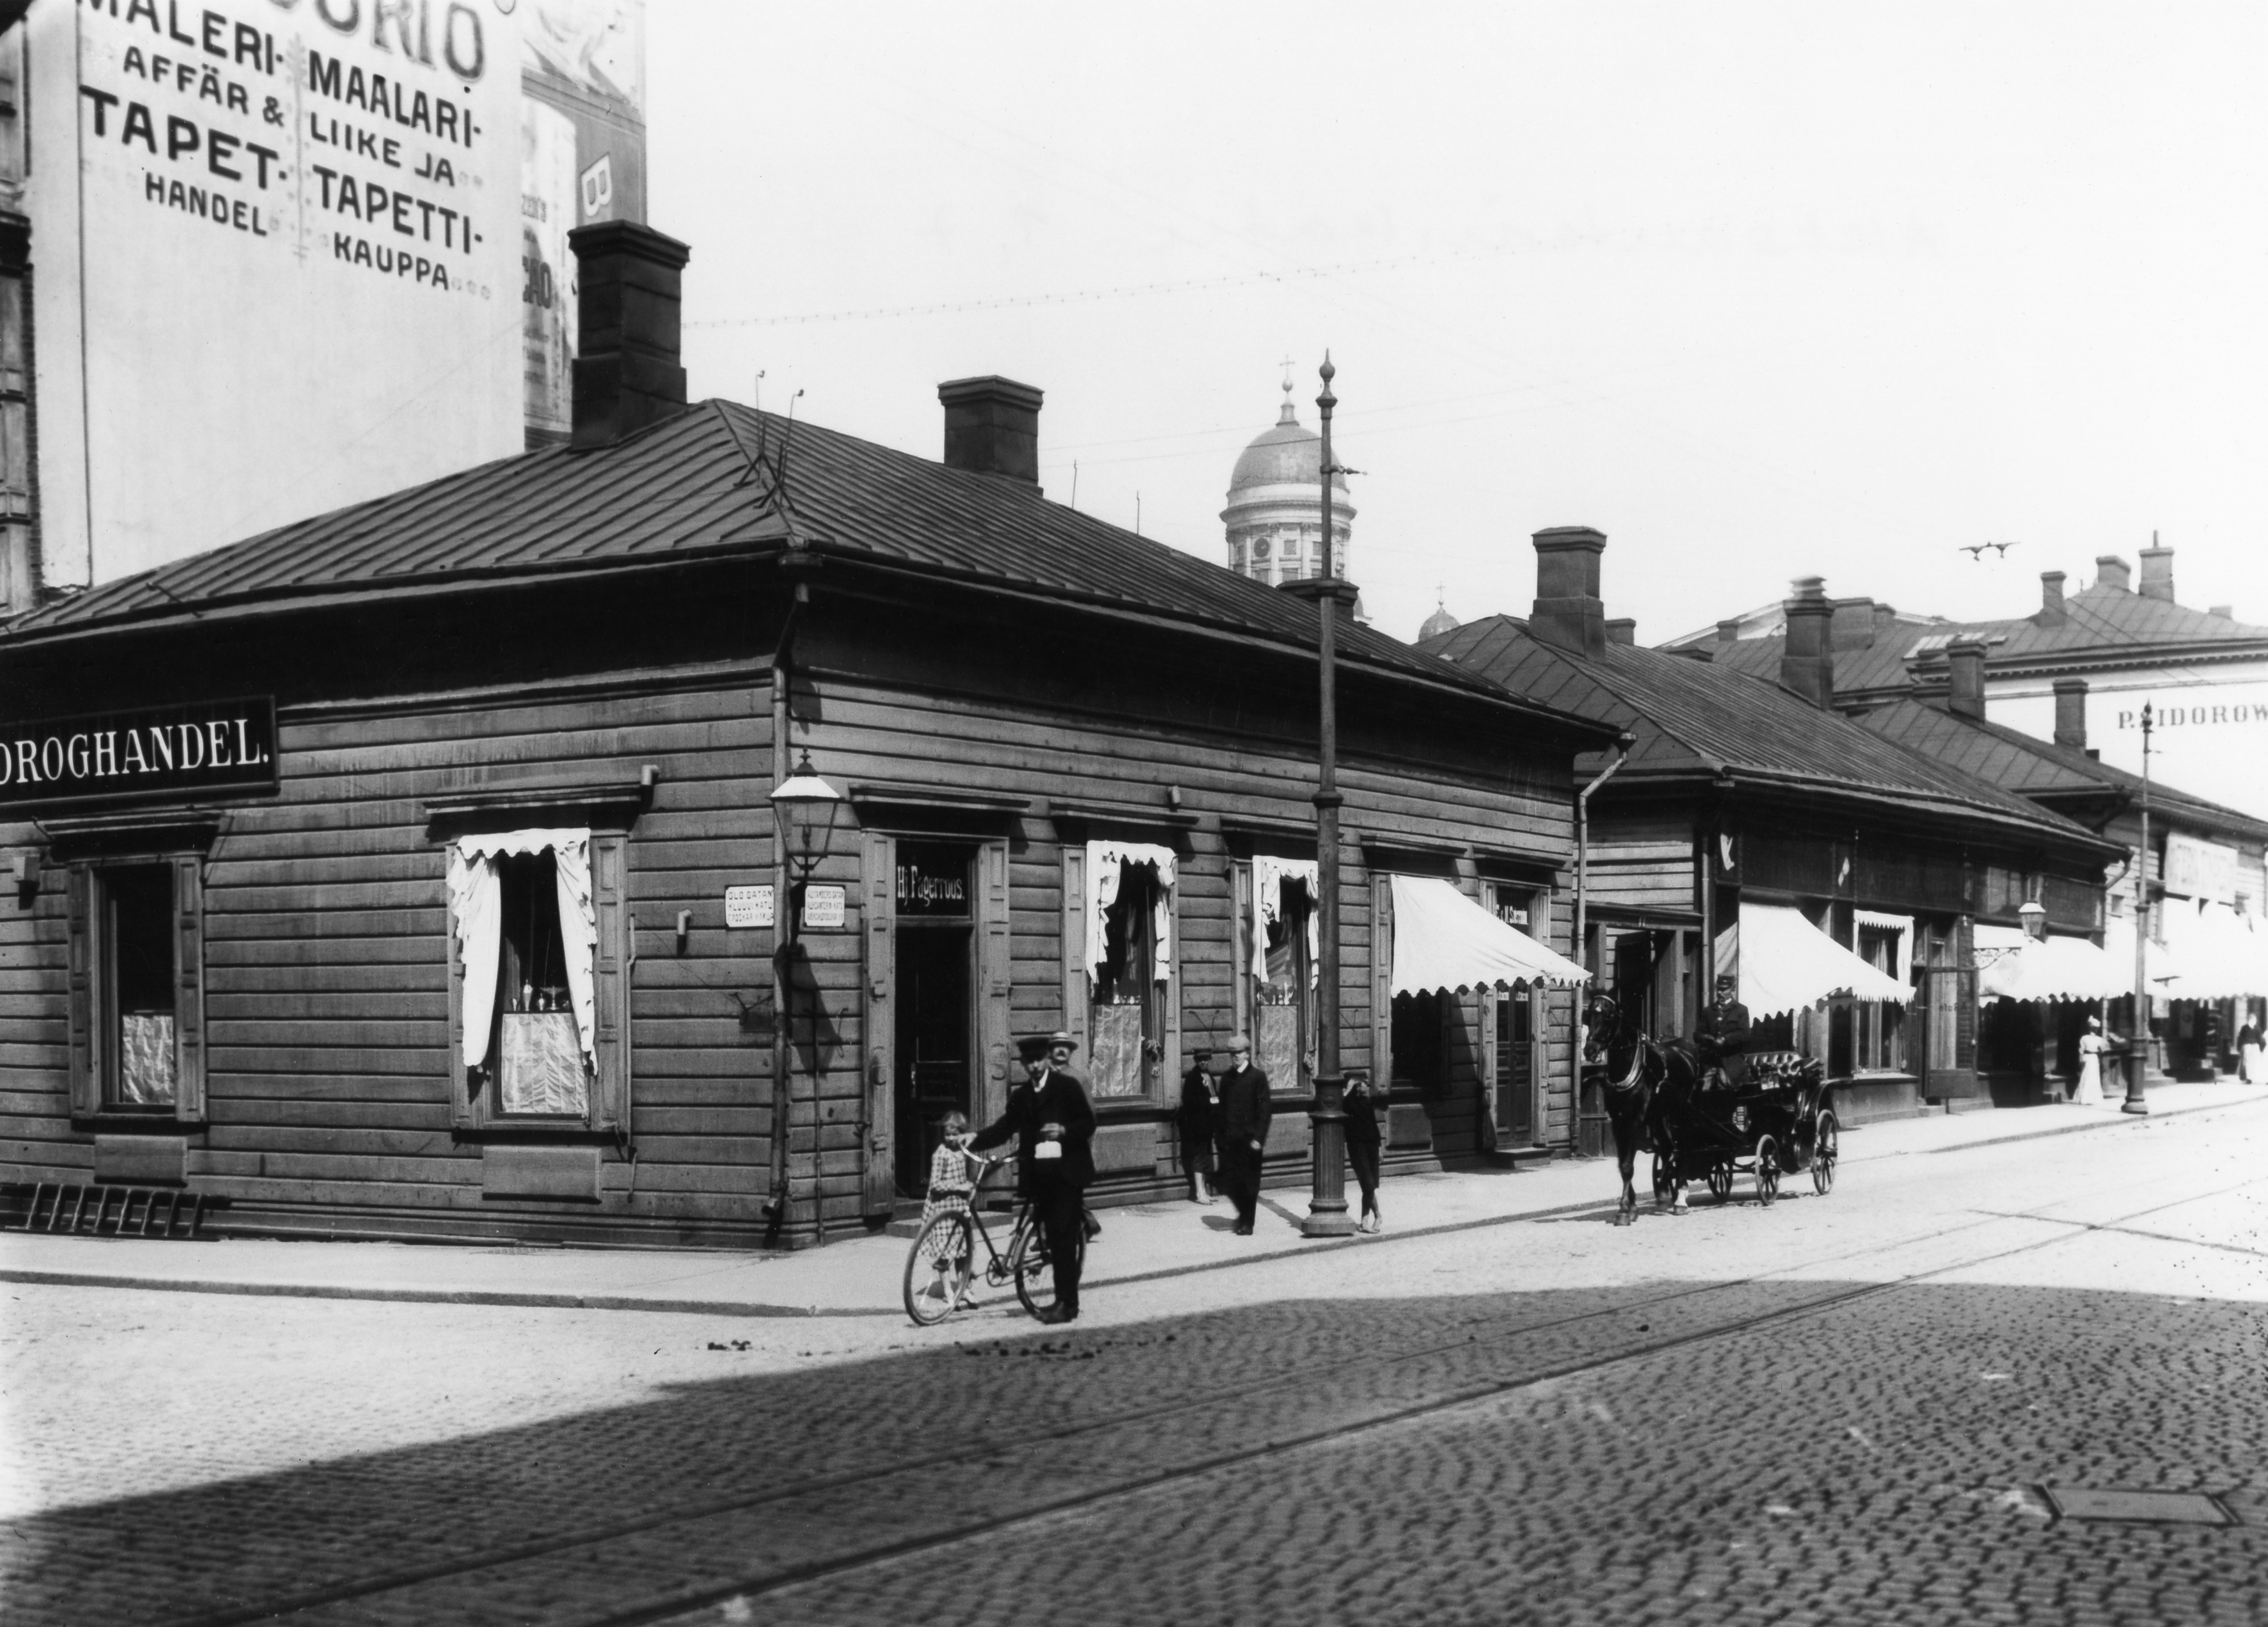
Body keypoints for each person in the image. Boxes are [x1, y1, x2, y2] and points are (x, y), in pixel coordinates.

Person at [969, 1031, 1096, 1323]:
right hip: (1040, 1176)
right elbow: (1004, 1128)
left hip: (1066, 1174)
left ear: (1048, 1059)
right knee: (1051, 1237)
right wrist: (973, 1138)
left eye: (1039, 1060)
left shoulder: (1068, 1086)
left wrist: (1065, 1131)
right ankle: (1059, 1300)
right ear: (1023, 1064)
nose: (1035, 1067)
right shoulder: (1022, 1095)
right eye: (1029, 1062)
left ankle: (1067, 1305)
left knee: (1063, 1239)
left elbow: (1088, 1123)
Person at [1216, 1035, 1272, 1235]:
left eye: (1239, 1053)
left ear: (1247, 1053)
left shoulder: (1258, 1077)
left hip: (1250, 1141)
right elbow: (1221, 1111)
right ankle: (1243, 1214)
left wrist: (1259, 1138)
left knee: (1249, 1183)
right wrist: (1220, 1138)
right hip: (1230, 1141)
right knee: (1230, 1183)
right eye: (1232, 1054)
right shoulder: (1226, 1078)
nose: (1235, 1057)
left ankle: (1248, 1222)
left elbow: (1265, 1111)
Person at [1695, 973, 1752, 1091]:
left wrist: (1725, 1040)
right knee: (1701, 1092)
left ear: (1733, 989)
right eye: (1718, 989)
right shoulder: (1709, 1011)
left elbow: (1745, 1034)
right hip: (1710, 1063)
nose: (1719, 993)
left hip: (1732, 1063)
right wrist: (1706, 1038)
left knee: (1731, 1092)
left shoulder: (1741, 1010)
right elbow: (1697, 1034)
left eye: (1723, 989)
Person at [1178, 1048, 1220, 1204]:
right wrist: (1209, 1102)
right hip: (1197, 1126)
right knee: (1199, 1158)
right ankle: (1199, 1193)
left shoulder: (1210, 1076)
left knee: (1205, 1157)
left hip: (1208, 1125)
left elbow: (1215, 1095)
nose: (1203, 1062)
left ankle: (1204, 1191)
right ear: (1196, 1060)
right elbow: (1189, 1102)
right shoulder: (1192, 1078)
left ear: (1210, 1060)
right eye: (1200, 1059)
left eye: (1206, 1059)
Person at [1343, 1069, 1383, 1233]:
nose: (1368, 1085)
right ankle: (1376, 1216)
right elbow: (1340, 1104)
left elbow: (1374, 1126)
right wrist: (1347, 1091)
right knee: (1368, 1184)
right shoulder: (1349, 1103)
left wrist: (1379, 1148)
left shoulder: (1367, 1102)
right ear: (1357, 1086)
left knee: (1370, 1186)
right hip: (1357, 1147)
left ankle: (1366, 1221)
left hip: (1371, 1147)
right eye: (1365, 1083)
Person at [2074, 1016, 2114, 1106]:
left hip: (2087, 1058)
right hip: (2094, 1058)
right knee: (2094, 1077)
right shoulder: (2099, 1040)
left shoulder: (2084, 1038)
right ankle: (2094, 1098)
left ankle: (2084, 1098)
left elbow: (2081, 1050)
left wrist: (2081, 1061)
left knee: (2086, 1076)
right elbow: (2103, 1050)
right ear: (2096, 1029)